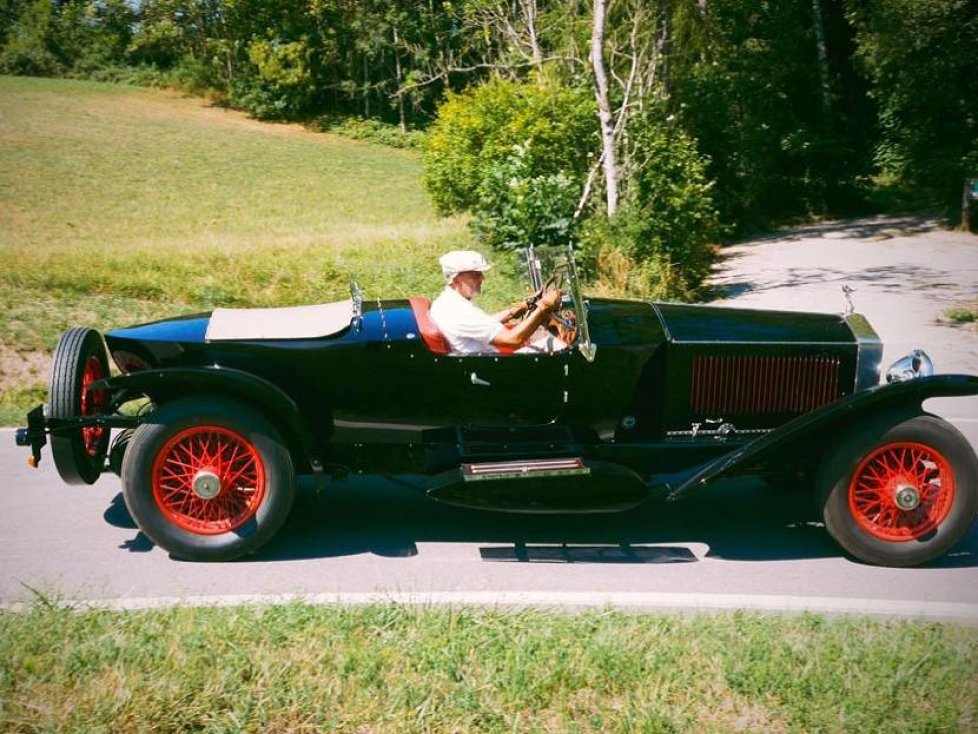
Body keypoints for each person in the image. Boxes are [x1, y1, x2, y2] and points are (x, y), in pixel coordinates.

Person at [429, 250, 566, 355]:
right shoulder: (458, 311)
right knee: (561, 345)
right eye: (475, 274)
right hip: (491, 374)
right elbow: (512, 340)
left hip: (484, 366)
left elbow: (481, 324)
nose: (482, 278)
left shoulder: (447, 302)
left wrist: (514, 311)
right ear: (455, 279)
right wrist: (543, 306)